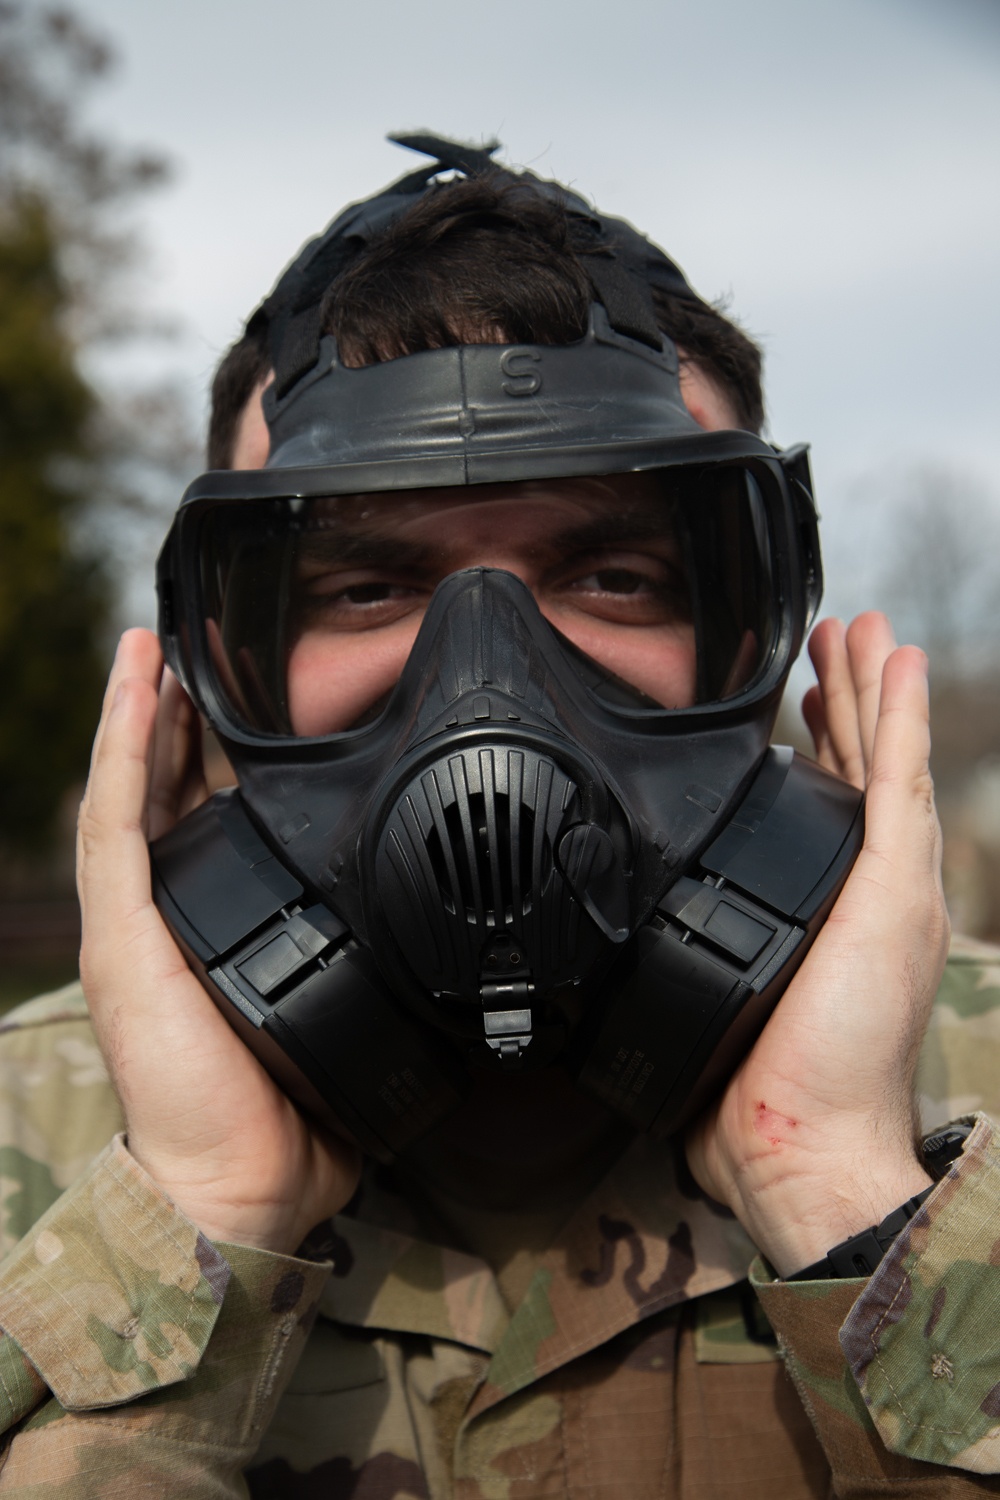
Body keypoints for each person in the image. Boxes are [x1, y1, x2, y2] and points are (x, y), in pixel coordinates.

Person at [0, 136, 997, 1499]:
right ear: (213, 674)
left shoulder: (973, 1087)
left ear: (750, 631)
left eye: (614, 572)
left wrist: (841, 1200)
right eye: (363, 587)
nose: (487, 685)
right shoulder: (22, 1129)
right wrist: (197, 1227)